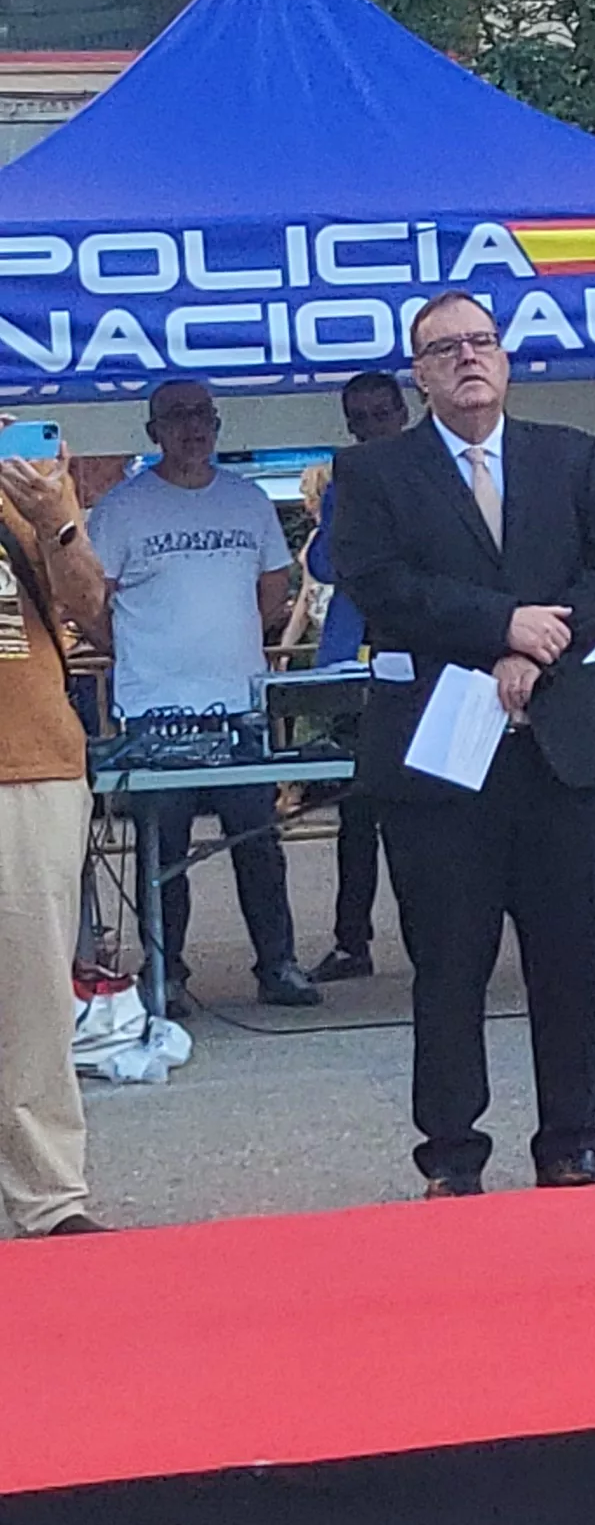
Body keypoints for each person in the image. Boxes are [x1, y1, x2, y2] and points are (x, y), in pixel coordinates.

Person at [325, 292, 595, 1197]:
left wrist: (541, 650)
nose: (469, 359)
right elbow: (381, 587)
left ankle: (572, 1142)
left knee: (570, 961)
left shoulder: (569, 458)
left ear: (506, 358)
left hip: (563, 750)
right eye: (445, 349)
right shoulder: (377, 474)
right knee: (449, 965)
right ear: (419, 374)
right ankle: (453, 1153)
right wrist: (504, 626)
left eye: (482, 342)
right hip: (440, 762)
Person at [92, 377, 313, 1011]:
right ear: (152, 432)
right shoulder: (120, 509)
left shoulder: (247, 502)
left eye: (203, 416)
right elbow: (92, 603)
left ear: (217, 426)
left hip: (239, 705)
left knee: (259, 845)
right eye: (177, 417)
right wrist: (138, 648)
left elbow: (274, 587)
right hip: (154, 711)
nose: (192, 428)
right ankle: (168, 974)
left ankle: (278, 966)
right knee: (164, 855)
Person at [0, 442, 108, 1236]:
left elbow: (94, 609)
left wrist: (55, 523)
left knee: (33, 995)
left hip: (27, 759)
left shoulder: (28, 473)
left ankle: (48, 1197)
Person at [303, 367, 412, 982]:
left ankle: (438, 935)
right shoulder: (348, 475)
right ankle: (352, 940)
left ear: (403, 410)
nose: (372, 428)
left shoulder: (433, 468)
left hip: (422, 659)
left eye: (381, 414)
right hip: (357, 663)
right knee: (357, 811)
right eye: (361, 418)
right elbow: (323, 561)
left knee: (428, 809)